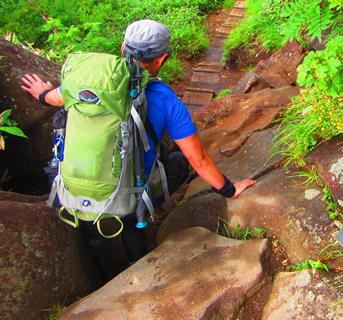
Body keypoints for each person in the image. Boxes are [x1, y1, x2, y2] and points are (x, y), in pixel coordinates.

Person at [20, 19, 256, 263]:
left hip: (76, 189)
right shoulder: (166, 100)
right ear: (162, 58)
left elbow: (54, 98)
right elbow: (198, 159)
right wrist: (230, 190)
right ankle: (138, 260)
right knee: (175, 162)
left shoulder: (91, 84)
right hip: (128, 195)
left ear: (123, 48)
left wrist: (41, 92)